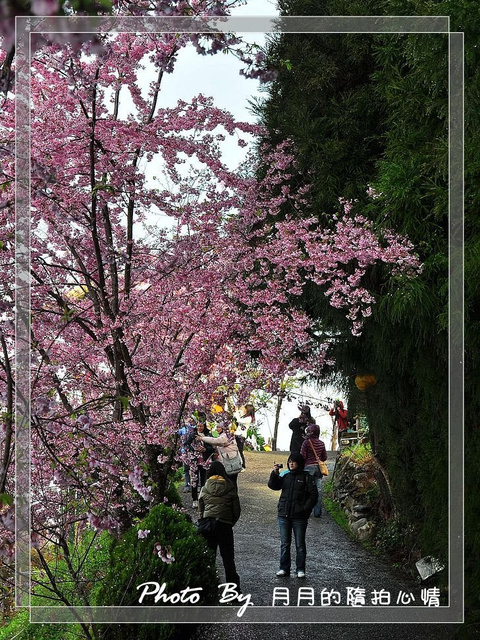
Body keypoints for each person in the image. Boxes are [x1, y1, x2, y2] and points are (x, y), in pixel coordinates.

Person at [268, 452, 318, 579]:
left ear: (299, 463)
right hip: (283, 514)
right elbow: (273, 486)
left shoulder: (307, 477)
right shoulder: (286, 475)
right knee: (285, 543)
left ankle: (300, 569)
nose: (291, 463)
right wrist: (274, 473)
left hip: (299, 517)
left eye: (293, 461)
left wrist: (304, 510)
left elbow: (313, 496)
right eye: (289, 461)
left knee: (300, 544)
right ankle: (284, 568)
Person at [198, 460, 241, 594]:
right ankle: (233, 591)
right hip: (224, 525)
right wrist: (229, 521)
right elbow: (236, 510)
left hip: (208, 525)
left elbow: (201, 507)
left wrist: (204, 519)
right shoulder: (230, 486)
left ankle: (206, 589)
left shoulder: (205, 487)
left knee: (209, 558)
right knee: (228, 559)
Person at [197, 420, 241, 487]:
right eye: (217, 427)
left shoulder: (226, 435)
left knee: (231, 481)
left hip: (231, 462)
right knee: (230, 481)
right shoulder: (224, 435)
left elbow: (216, 441)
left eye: (219, 427)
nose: (217, 429)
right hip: (229, 461)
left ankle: (232, 496)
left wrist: (202, 438)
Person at [186, 414, 214, 508]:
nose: (199, 427)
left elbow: (212, 447)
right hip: (194, 461)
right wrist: (194, 448)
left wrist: (205, 449)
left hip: (205, 461)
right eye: (198, 426)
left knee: (204, 480)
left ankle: (202, 499)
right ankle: (194, 499)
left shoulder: (208, 435)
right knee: (194, 480)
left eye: (201, 426)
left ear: (204, 426)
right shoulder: (192, 435)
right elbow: (186, 445)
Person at [300, 424, 328, 517]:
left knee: (307, 490)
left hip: (308, 468)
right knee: (318, 490)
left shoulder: (306, 442)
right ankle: (317, 512)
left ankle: (306, 511)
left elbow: (302, 456)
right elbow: (324, 457)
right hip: (319, 469)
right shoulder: (321, 443)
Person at [232, 403, 255, 470]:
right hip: (237, 434)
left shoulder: (249, 418)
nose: (244, 410)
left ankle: (243, 465)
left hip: (241, 436)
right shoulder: (244, 416)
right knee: (236, 450)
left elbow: (238, 420)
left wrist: (236, 411)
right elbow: (237, 415)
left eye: (245, 408)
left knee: (240, 450)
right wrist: (237, 409)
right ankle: (238, 464)